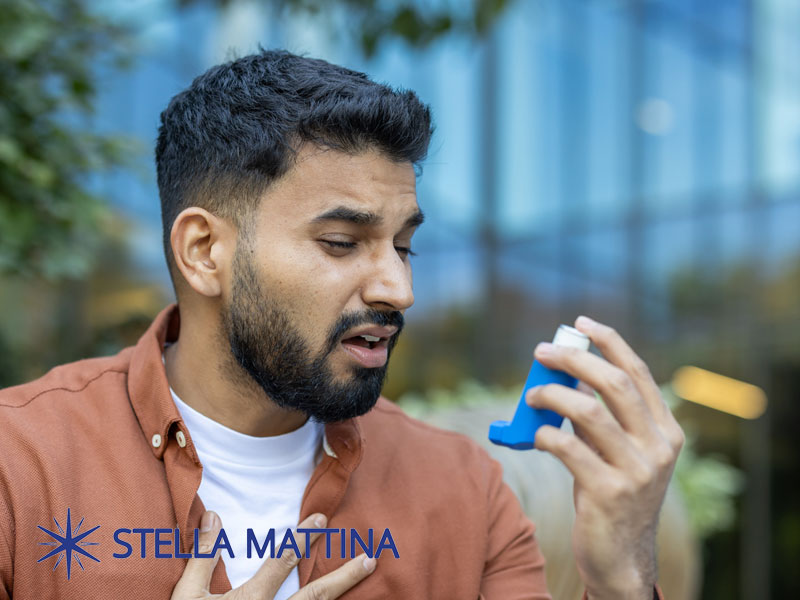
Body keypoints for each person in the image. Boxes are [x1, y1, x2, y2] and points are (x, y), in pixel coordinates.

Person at [0, 49, 684, 599]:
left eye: (404, 244)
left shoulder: (464, 491)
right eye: (341, 243)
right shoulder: (19, 465)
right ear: (205, 252)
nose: (400, 288)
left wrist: (622, 579)